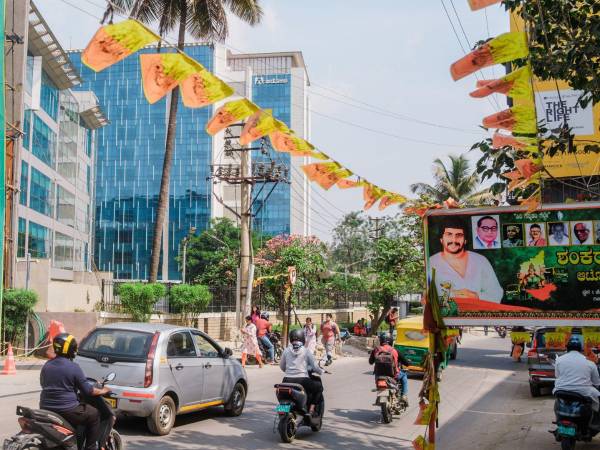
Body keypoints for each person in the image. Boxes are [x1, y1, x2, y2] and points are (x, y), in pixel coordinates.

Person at [40, 333, 110, 450]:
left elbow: (44, 384)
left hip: (45, 407)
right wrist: (103, 390)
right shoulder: (73, 367)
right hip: (67, 409)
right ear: (70, 349)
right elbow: (88, 391)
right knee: (94, 414)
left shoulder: (47, 365)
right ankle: (91, 447)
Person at [429, 218, 503, 303]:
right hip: (446, 312)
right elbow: (428, 298)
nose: (454, 240)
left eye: (459, 235)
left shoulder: (480, 260)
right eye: (449, 234)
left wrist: (477, 297)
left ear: (465, 240)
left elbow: (497, 294)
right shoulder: (431, 263)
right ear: (441, 239)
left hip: (477, 311)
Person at [280, 329, 324, 415]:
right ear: (302, 338)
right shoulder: (306, 351)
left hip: (286, 380)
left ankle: (282, 412)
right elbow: (315, 367)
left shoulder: (286, 350)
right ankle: (311, 409)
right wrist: (321, 371)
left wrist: (289, 371)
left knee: (284, 395)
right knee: (319, 387)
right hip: (302, 380)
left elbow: (282, 366)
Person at [553, 336, 600, 416]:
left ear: (567, 348)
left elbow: (557, 376)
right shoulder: (590, 363)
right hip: (583, 392)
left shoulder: (559, 360)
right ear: (580, 349)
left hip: (560, 390)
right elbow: (596, 383)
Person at [368, 333, 410, 404]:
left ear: (381, 340)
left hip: (378, 376)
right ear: (391, 341)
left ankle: (379, 394)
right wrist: (408, 362)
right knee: (404, 375)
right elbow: (407, 363)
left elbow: (370, 362)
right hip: (394, 376)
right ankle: (404, 395)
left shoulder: (376, 350)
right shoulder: (395, 350)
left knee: (378, 382)